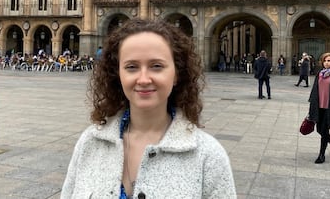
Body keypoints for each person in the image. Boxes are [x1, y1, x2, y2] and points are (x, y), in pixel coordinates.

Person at [61, 19, 236, 199]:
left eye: (156, 66)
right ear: (118, 74)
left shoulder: (208, 155)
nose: (143, 79)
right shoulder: (90, 142)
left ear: (176, 74)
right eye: (131, 67)